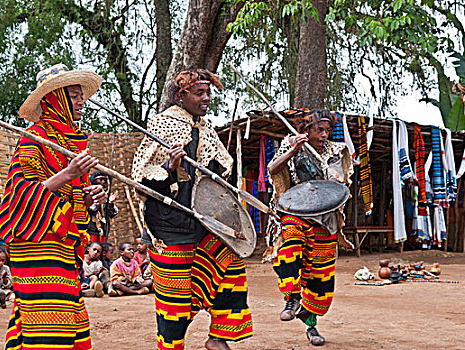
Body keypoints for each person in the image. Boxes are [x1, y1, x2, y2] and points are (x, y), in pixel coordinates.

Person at [131, 69, 252, 350]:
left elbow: (217, 174)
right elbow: (141, 177)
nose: (207, 98)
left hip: (205, 221)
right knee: (174, 299)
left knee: (231, 268)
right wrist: (169, 167)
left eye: (209, 93)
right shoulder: (162, 125)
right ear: (181, 95)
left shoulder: (206, 128)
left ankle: (218, 337)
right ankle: (171, 345)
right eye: (200, 93)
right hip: (169, 224)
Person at [0, 63, 104, 349]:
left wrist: (89, 199)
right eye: (75, 96)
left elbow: (68, 197)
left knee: (58, 316)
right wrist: (69, 173)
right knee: (48, 319)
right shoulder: (33, 140)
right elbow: (20, 195)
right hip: (35, 241)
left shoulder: (71, 141)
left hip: (63, 240)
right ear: (56, 99)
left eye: (81, 96)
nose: (81, 102)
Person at [266, 109, 354, 346]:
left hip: (325, 219)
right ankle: (292, 297)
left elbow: (338, 177)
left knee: (320, 279)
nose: (324, 135)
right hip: (295, 212)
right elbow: (273, 170)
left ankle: (310, 324)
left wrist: (335, 179)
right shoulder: (291, 144)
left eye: (328, 130)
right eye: (319, 130)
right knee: (289, 249)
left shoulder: (335, 151)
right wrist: (294, 150)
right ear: (306, 130)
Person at [86, 171, 119, 243]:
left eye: (104, 180)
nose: (103, 182)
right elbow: (91, 209)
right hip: (90, 230)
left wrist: (110, 203)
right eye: (100, 179)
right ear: (94, 180)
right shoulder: (89, 194)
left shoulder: (107, 196)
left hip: (104, 230)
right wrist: (100, 200)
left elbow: (113, 214)